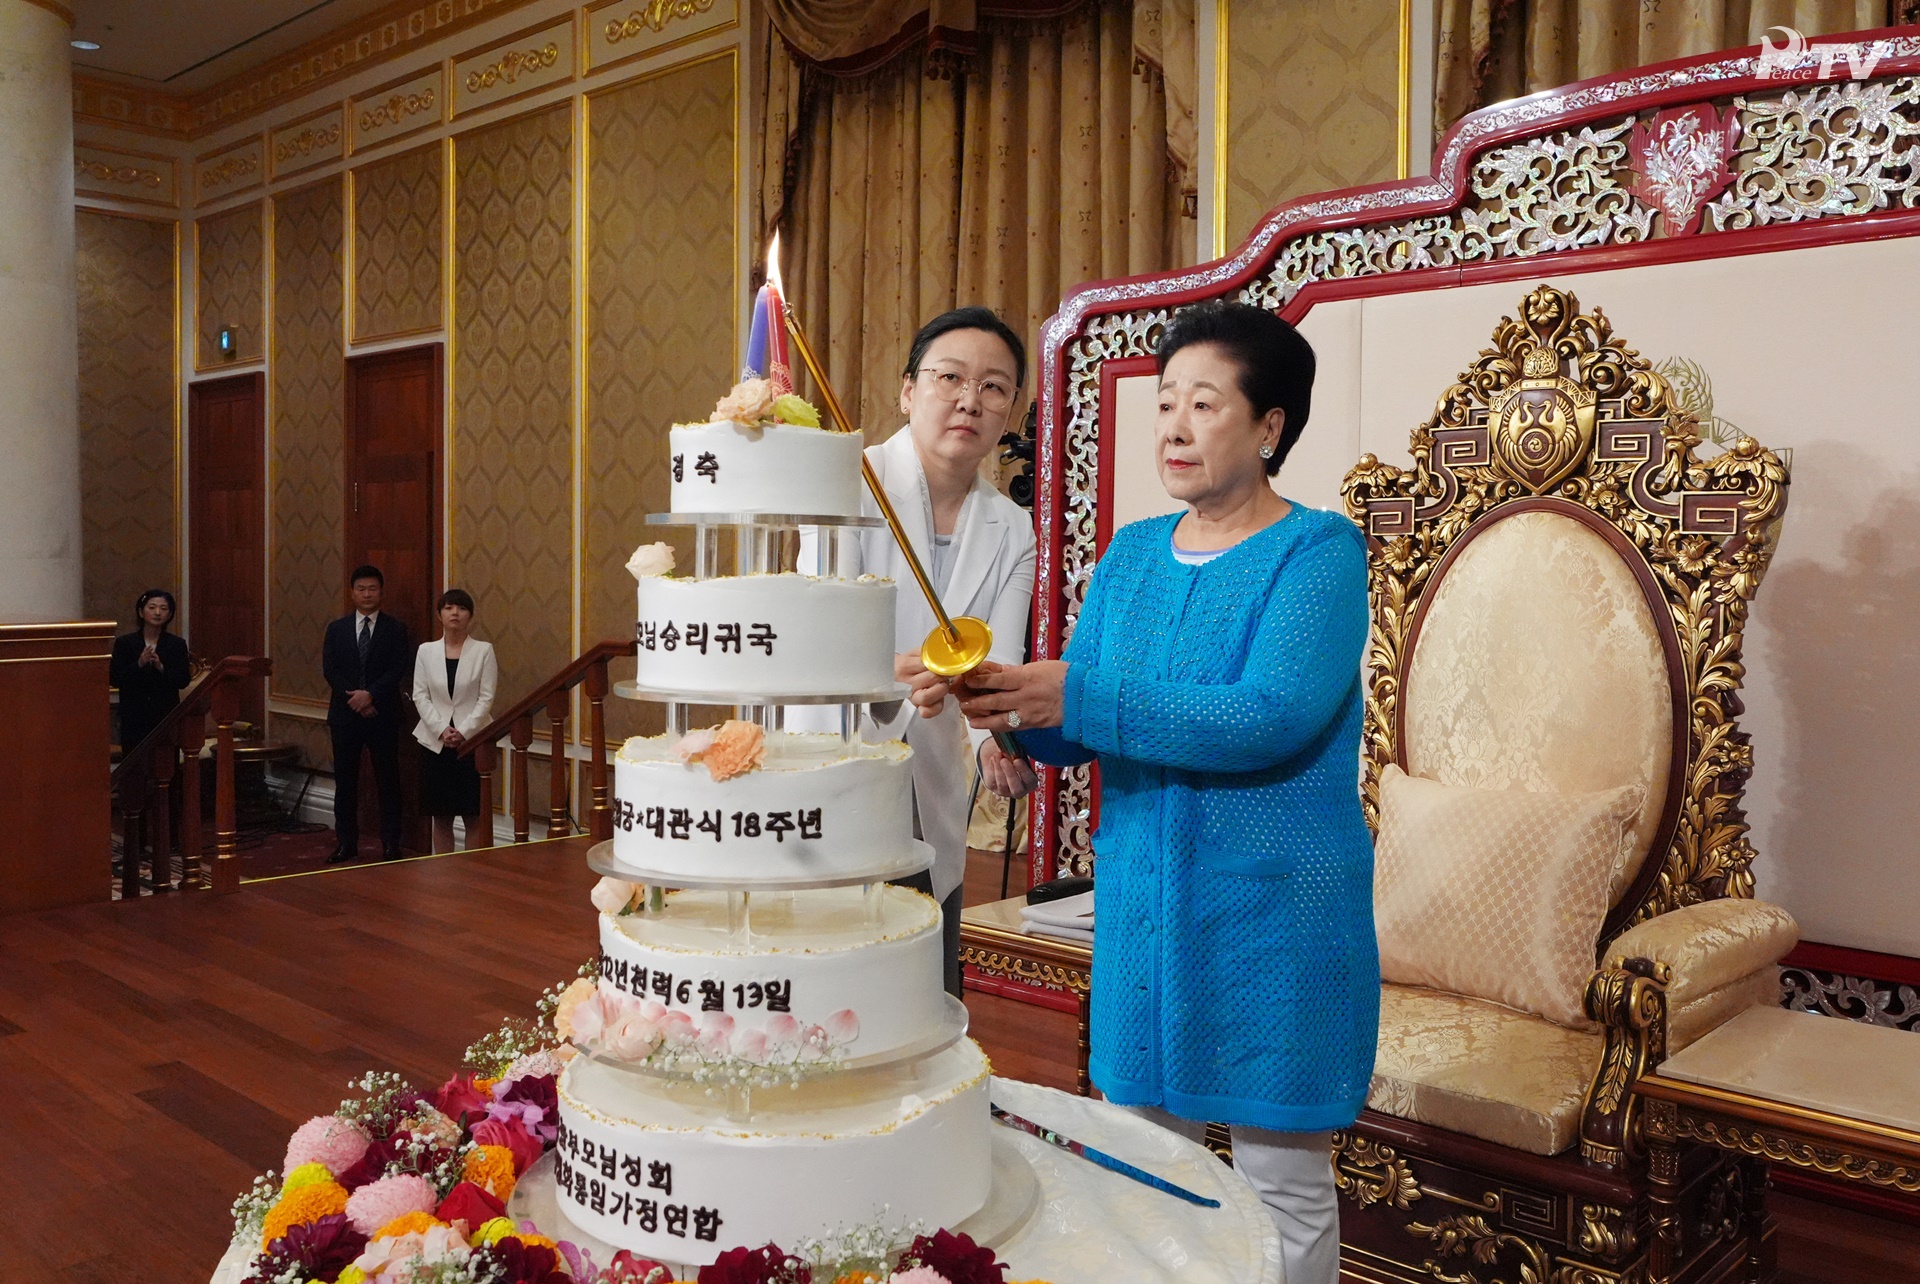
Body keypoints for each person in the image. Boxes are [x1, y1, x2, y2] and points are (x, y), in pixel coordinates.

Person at [958, 301, 1375, 1284]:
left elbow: (1265, 717)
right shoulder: (1136, 553)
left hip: (1279, 916)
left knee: (1281, 1180)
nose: (1176, 428)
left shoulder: (1318, 554)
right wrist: (1013, 720)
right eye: (1165, 405)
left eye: (1205, 403)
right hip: (1147, 908)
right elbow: (1083, 717)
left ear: (1270, 426)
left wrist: (1077, 692)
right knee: (1140, 1168)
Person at [807, 306, 1040, 996]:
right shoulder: (845, 483)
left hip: (934, 778)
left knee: (922, 986)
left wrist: (999, 738)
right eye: (950, 378)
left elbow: (997, 663)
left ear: (1011, 410)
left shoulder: (1014, 527)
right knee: (832, 984)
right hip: (834, 763)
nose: (971, 400)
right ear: (909, 390)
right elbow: (808, 636)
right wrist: (886, 677)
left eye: (995, 387)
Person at [322, 565, 412, 863]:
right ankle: (346, 843)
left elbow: (398, 668)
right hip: (345, 716)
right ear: (352, 593)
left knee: (388, 780)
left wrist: (371, 694)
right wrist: (356, 698)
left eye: (372, 588)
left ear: (381, 593)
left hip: (382, 714)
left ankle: (391, 843)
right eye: (361, 589)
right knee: (345, 782)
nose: (367, 594)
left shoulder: (396, 629)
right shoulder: (337, 629)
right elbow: (330, 669)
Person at [410, 588, 498, 854]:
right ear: (440, 615)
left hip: (472, 742)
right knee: (441, 814)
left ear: (470, 615)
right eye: (448, 608)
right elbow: (420, 694)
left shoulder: (483, 651)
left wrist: (462, 731)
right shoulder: (426, 651)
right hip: (435, 742)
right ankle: (443, 871)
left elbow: (486, 697)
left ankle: (471, 869)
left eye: (461, 608)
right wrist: (441, 729)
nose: (455, 613)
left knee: (472, 812)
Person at [110, 588, 192, 756]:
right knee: (135, 766)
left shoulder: (176, 644)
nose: (157, 613)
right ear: (141, 612)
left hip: (165, 714)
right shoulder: (125, 643)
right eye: (152, 607)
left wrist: (161, 667)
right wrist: (139, 664)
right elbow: (115, 678)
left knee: (166, 763)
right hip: (134, 714)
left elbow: (183, 680)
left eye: (163, 608)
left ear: (169, 615)